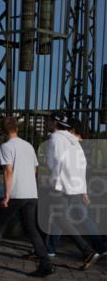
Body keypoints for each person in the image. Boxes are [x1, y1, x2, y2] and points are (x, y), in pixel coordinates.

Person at [0, 117, 55, 276]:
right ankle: (45, 264)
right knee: (32, 229)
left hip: (16, 193)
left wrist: (7, 195)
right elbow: (36, 169)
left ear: (3, 131)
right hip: (31, 193)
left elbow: (8, 171)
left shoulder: (6, 147)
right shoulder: (28, 145)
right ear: (16, 128)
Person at [44, 111, 105, 269]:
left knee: (60, 219)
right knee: (60, 218)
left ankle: (87, 251)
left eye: (49, 120)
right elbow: (81, 165)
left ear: (54, 122)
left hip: (61, 186)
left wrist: (53, 181)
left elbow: (53, 163)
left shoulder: (55, 139)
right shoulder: (74, 141)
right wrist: (82, 188)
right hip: (74, 187)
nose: (47, 122)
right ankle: (45, 251)